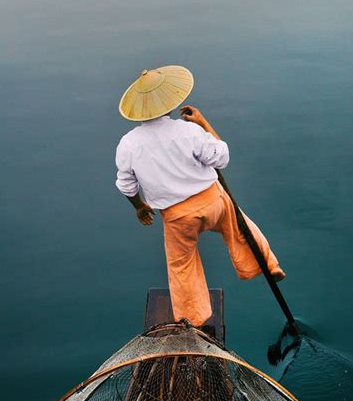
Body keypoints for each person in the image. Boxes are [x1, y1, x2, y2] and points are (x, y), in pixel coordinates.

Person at [115, 65, 285, 327]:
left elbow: (127, 185)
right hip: (214, 201)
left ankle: (192, 318)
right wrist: (203, 123)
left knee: (182, 265)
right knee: (241, 227)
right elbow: (221, 157)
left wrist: (140, 207)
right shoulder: (188, 131)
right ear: (169, 104)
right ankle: (266, 265)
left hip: (178, 217)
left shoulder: (128, 143)